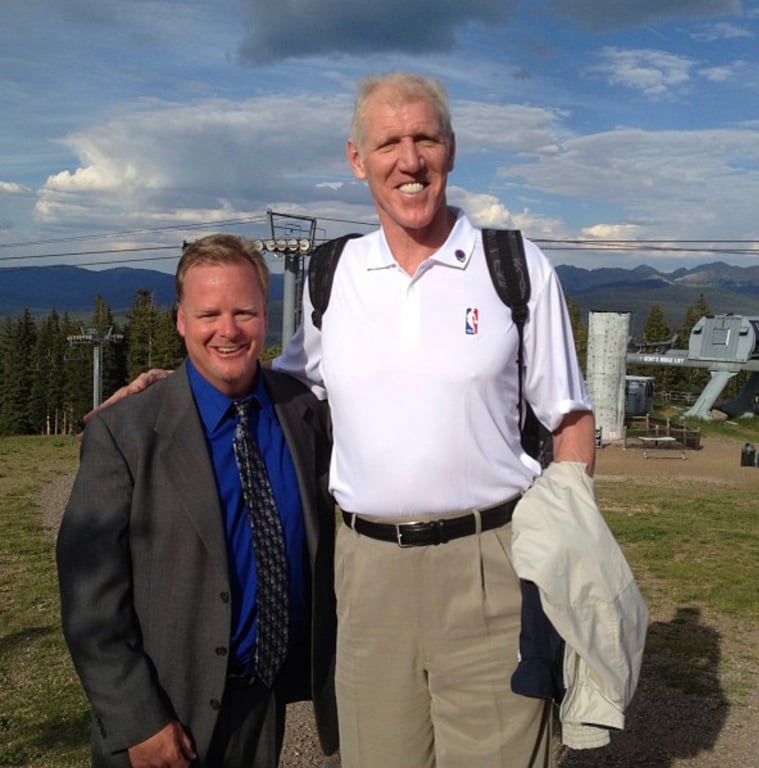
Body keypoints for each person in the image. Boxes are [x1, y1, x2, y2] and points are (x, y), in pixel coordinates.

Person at [271, 72, 596, 768]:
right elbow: (286, 384)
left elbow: (569, 418)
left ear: (451, 148)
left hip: (492, 565)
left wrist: (568, 544)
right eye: (388, 143)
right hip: (366, 573)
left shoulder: (513, 267)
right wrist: (168, 391)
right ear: (357, 160)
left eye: (425, 139)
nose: (409, 160)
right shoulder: (333, 276)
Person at [56, 235, 338, 768]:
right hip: (164, 715)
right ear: (181, 321)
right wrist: (138, 720)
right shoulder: (127, 432)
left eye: (244, 312)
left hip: (262, 707)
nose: (227, 330)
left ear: (266, 316)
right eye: (208, 314)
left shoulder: (302, 414)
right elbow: (90, 598)